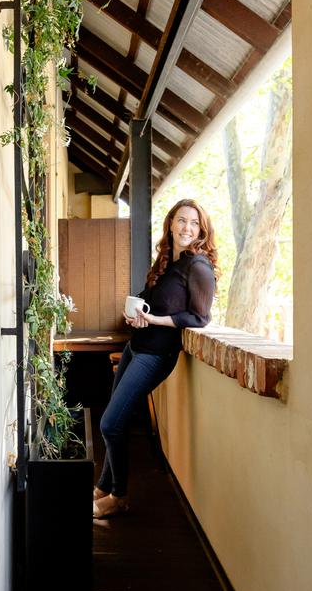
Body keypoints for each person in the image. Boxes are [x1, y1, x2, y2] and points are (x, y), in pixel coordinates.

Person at [93, 198, 218, 519]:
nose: (186, 228)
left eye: (193, 223)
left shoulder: (198, 267)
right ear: (171, 223)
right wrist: (136, 317)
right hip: (137, 346)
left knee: (110, 423)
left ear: (201, 229)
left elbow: (200, 319)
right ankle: (104, 485)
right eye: (181, 220)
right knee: (113, 415)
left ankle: (118, 495)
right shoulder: (168, 263)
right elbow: (153, 305)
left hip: (157, 353)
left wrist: (157, 322)